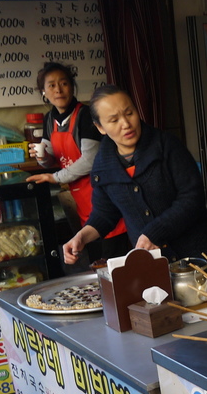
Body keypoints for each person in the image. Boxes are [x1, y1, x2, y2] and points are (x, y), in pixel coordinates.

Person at [62, 84, 207, 270]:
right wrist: (81, 237)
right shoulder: (103, 166)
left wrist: (154, 233)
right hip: (156, 268)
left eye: (129, 113)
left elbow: (192, 198)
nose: (126, 124)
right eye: (114, 120)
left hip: (201, 260)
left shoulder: (166, 146)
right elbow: (104, 213)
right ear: (100, 127)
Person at [25, 63, 129, 259]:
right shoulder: (49, 119)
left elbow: (90, 160)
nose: (58, 90)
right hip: (82, 200)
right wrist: (42, 157)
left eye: (64, 83)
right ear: (44, 92)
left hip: (104, 195)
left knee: (116, 259)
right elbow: (50, 157)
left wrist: (55, 177)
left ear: (72, 86)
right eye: (52, 85)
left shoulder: (86, 116)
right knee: (97, 260)